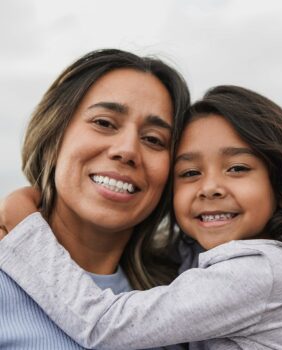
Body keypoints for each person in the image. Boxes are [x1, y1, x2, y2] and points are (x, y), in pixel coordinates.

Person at [1, 85, 282, 349]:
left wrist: (25, 227)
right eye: (189, 173)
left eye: (238, 168)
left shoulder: (260, 270)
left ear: (281, 186)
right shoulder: (199, 261)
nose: (210, 187)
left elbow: (105, 324)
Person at [0, 48, 190, 349]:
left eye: (154, 139)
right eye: (104, 123)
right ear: (54, 134)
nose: (127, 150)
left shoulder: (186, 300)